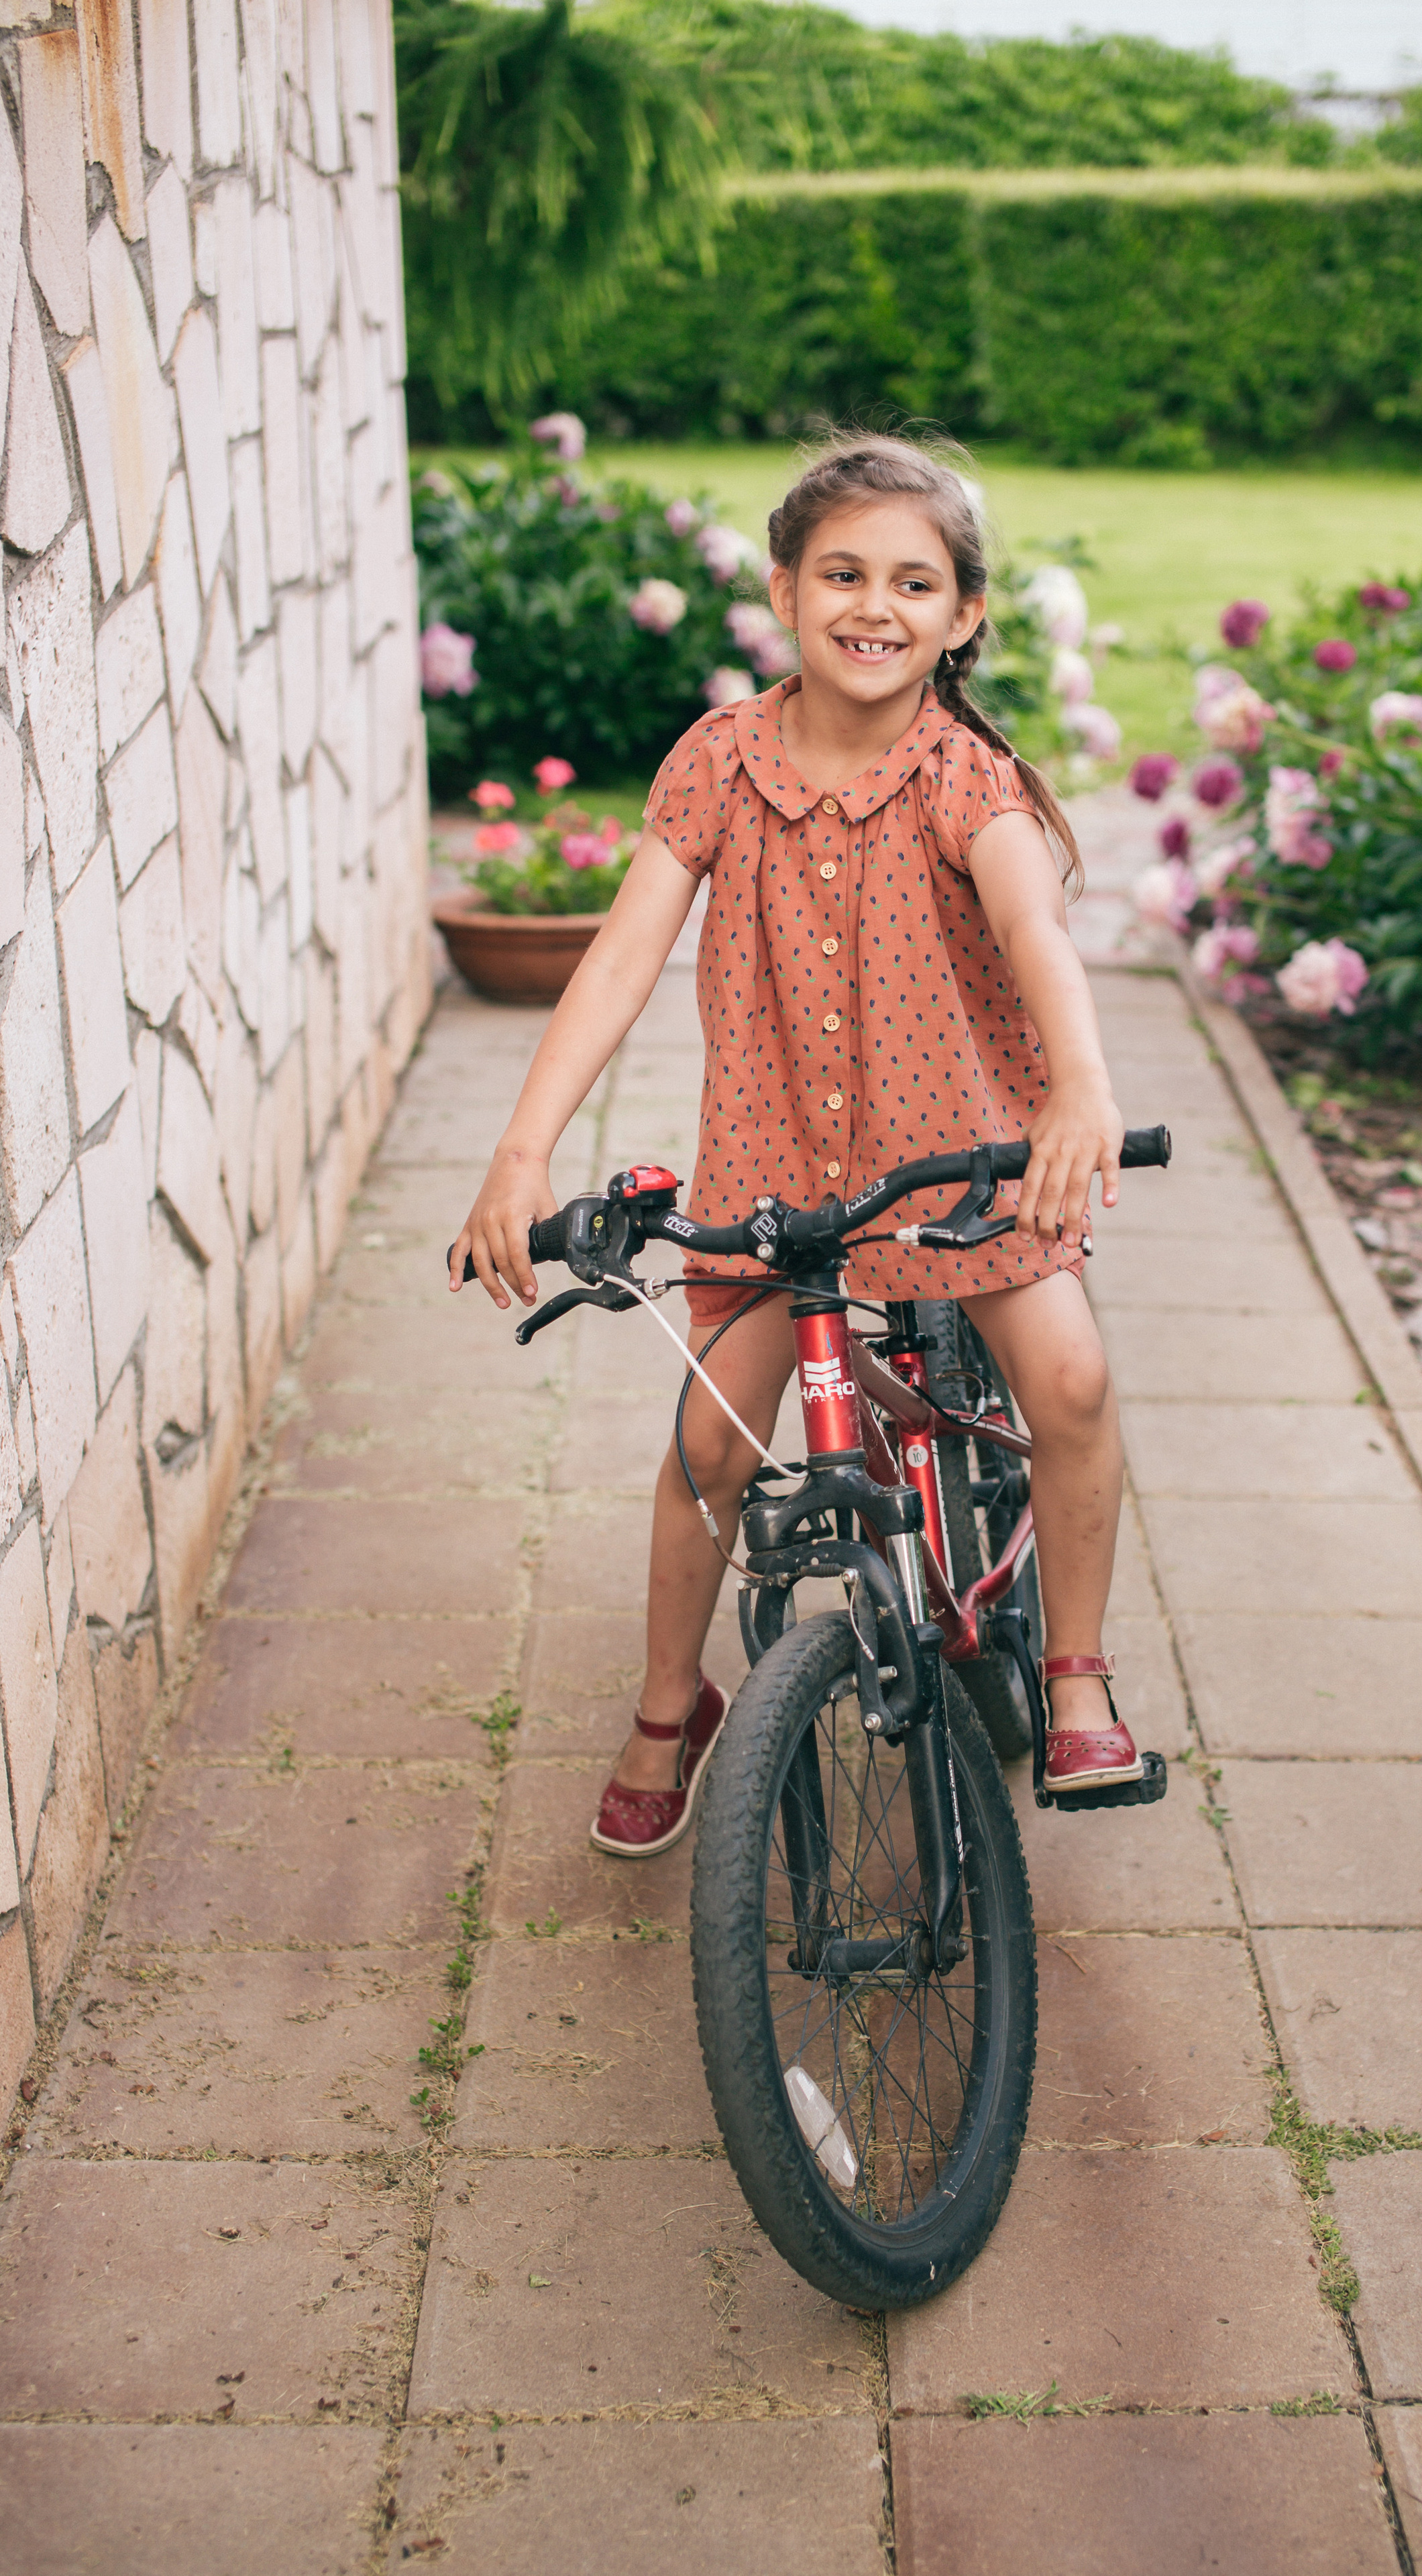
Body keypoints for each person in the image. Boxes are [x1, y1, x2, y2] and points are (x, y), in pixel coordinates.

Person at [450, 432, 1139, 1858]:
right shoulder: (717, 764)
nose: (871, 605)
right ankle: (669, 1700)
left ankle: (1073, 1670)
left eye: (912, 581)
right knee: (708, 1447)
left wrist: (1077, 1088)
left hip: (956, 1165)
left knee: (1065, 1379)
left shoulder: (963, 781)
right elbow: (622, 957)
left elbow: (1032, 932)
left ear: (961, 618)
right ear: (782, 587)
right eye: (840, 573)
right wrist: (524, 1151)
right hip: (774, 1172)